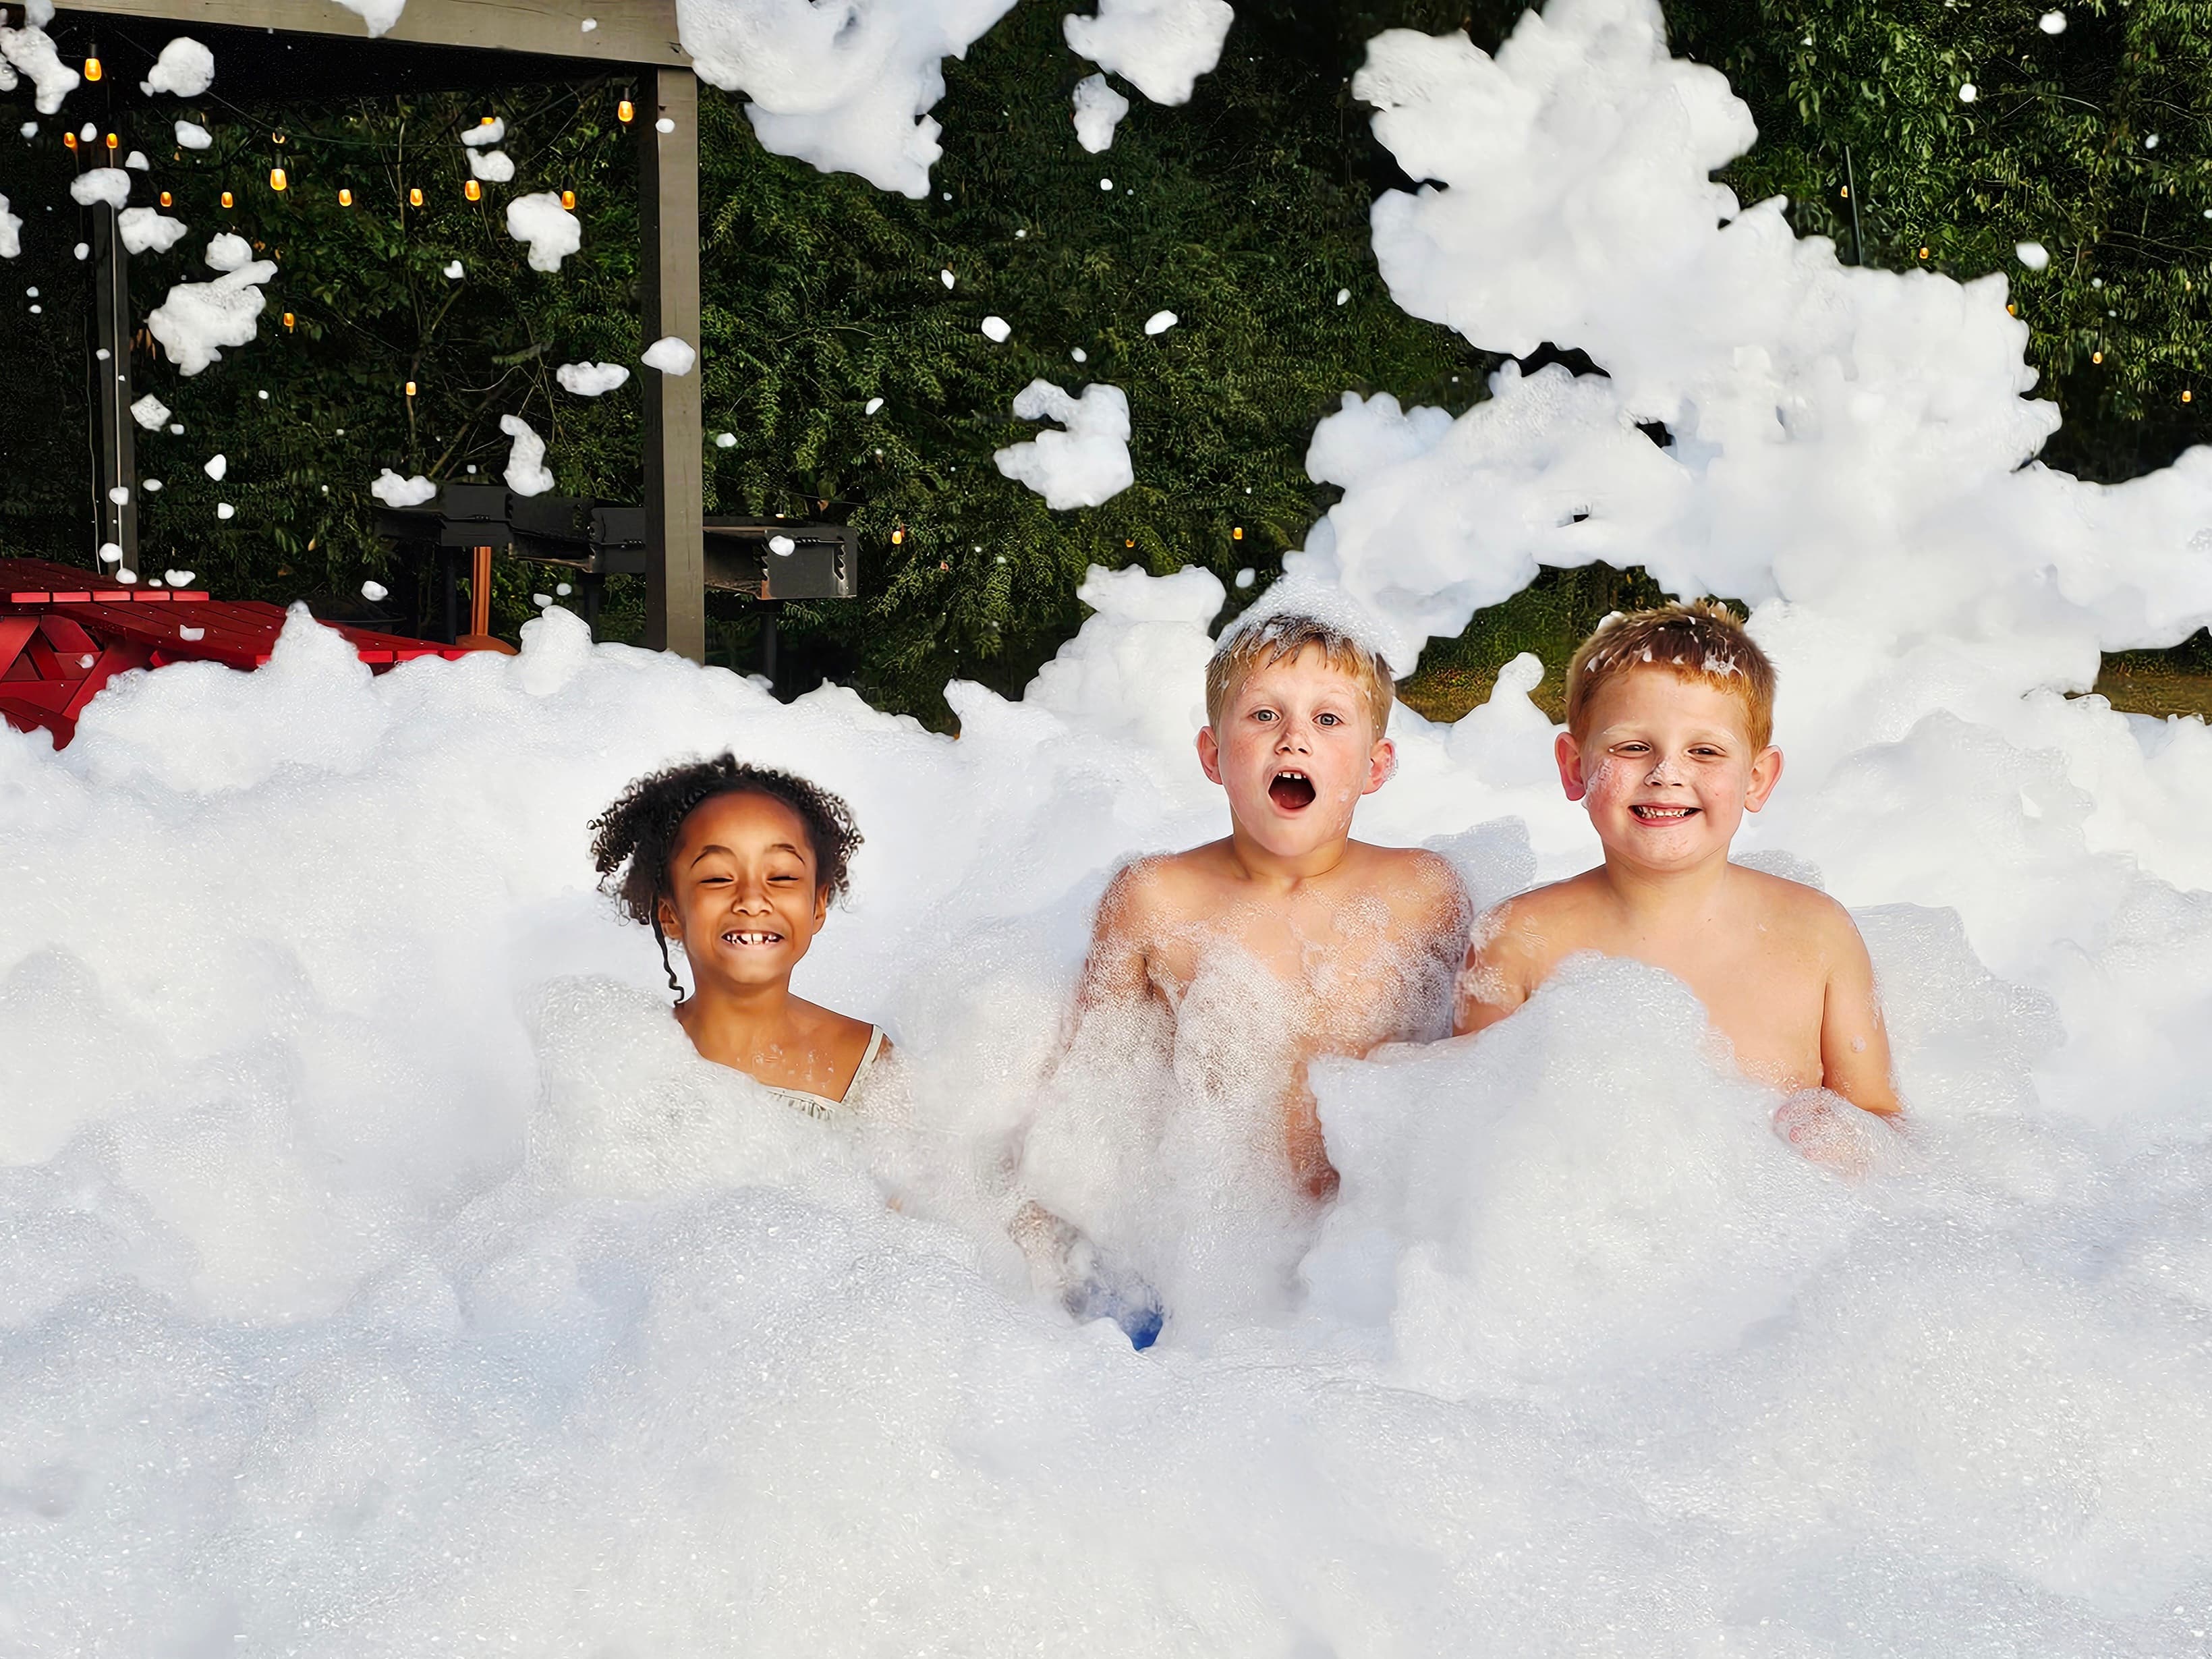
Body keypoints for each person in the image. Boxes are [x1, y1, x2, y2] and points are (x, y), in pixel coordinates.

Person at [1044, 609, 1470, 1208]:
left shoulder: (1422, 892)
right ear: (1212, 756)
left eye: (1327, 719)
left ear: (1375, 767)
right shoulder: (1154, 898)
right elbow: (1089, 1092)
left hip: (1367, 1238)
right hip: (1203, 1232)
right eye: (1264, 714)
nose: (1293, 738)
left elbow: (1471, 1083)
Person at [1454, 601, 1902, 1164]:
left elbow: (1881, 1117)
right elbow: (1464, 1143)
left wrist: (1846, 1144)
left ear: (1756, 779)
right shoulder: (1516, 939)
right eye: (1632, 746)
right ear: (1574, 768)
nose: (1666, 773)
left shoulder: (1816, 934)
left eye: (1704, 751)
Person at [588, 756, 890, 1119]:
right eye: (717, 878)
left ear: (817, 907)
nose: (752, 900)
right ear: (670, 915)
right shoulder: (628, 1063)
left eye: (781, 877)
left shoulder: (865, 1062)